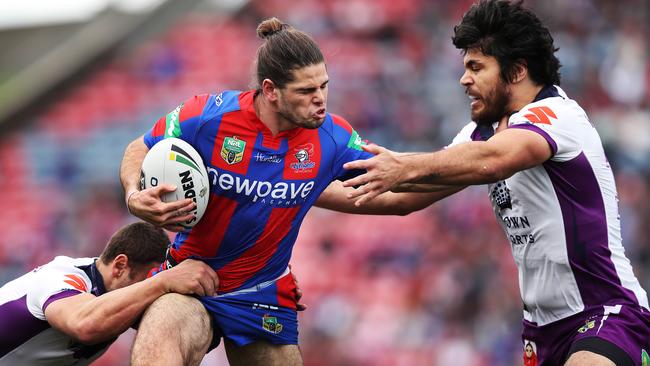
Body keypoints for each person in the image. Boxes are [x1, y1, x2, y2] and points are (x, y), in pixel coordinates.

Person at [120, 17, 445, 366]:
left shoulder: (333, 139)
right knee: (156, 346)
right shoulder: (207, 116)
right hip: (194, 279)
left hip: (263, 293)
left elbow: (400, 193)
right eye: (306, 92)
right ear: (271, 90)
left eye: (324, 87)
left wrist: (474, 163)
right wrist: (133, 195)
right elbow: (140, 147)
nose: (320, 100)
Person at [342, 1, 650, 365]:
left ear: (517, 71)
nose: (464, 79)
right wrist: (298, 188)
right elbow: (399, 197)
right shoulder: (480, 133)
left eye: (476, 67)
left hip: (606, 313)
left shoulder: (558, 116)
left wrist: (401, 167)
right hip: (541, 331)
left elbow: (493, 161)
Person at [0, 221, 219, 365]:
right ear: (120, 266)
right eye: (147, 279)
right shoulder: (62, 278)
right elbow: (85, 324)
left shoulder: (112, 301)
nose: (152, 293)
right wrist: (163, 282)